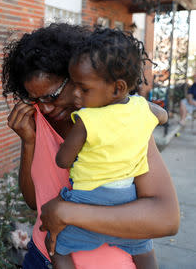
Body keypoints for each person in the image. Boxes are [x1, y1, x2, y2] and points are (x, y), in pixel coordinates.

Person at [2, 23, 179, 269]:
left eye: (51, 96)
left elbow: (166, 218)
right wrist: (29, 142)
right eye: (34, 99)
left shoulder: (124, 124)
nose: (45, 108)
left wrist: (69, 213)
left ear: (78, 77)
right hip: (40, 257)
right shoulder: (39, 120)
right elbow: (36, 203)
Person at [52, 28, 168, 269]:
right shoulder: (141, 108)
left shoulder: (87, 119)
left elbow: (63, 161)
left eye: (83, 89)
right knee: (143, 249)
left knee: (57, 248)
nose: (76, 94)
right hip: (127, 200)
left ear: (117, 88)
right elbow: (164, 116)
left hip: (88, 199)